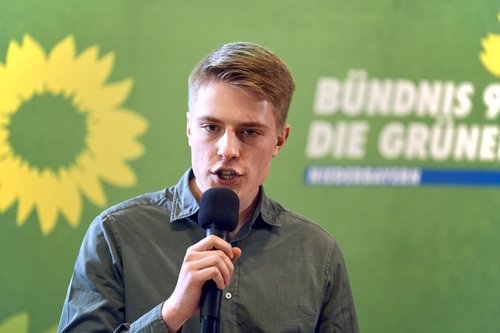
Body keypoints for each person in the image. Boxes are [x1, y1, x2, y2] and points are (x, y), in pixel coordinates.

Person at [58, 42, 359, 333]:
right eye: (211, 127)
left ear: (279, 140)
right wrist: (171, 313)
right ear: (190, 129)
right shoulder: (116, 235)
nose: (227, 149)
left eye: (250, 132)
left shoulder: (317, 253)